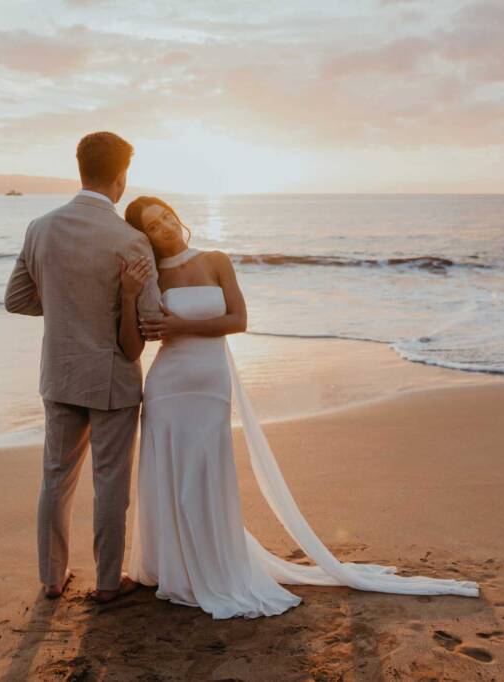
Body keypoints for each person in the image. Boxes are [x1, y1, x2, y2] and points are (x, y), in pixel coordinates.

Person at [120, 196, 478, 619]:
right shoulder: (151, 276)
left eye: (166, 216)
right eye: (154, 226)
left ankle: (213, 564)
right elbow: (134, 344)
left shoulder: (216, 259)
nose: (166, 227)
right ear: (146, 236)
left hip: (210, 384)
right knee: (168, 474)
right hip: (167, 386)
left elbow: (238, 320)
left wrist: (183, 325)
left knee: (207, 471)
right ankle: (170, 566)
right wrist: (128, 296)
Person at [4, 132, 161, 604]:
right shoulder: (130, 240)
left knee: (56, 476)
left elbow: (16, 300)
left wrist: (66, 310)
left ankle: (52, 578)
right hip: (112, 377)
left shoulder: (40, 227)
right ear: (121, 177)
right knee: (110, 482)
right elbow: (151, 319)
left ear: (79, 169)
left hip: (60, 372)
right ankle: (108, 582)